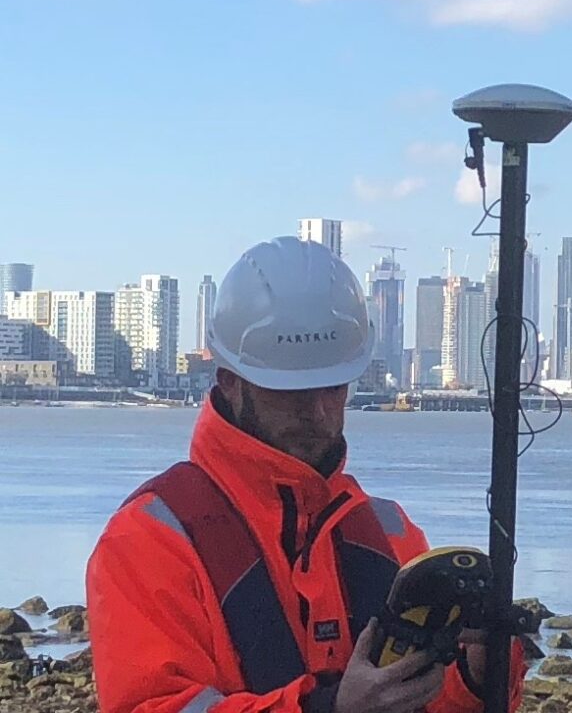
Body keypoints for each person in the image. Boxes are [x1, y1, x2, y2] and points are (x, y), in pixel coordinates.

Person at [86, 236, 525, 713]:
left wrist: (478, 675)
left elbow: (432, 702)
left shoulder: (387, 530)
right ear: (229, 381)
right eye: (291, 392)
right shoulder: (151, 539)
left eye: (333, 387)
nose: (318, 412)